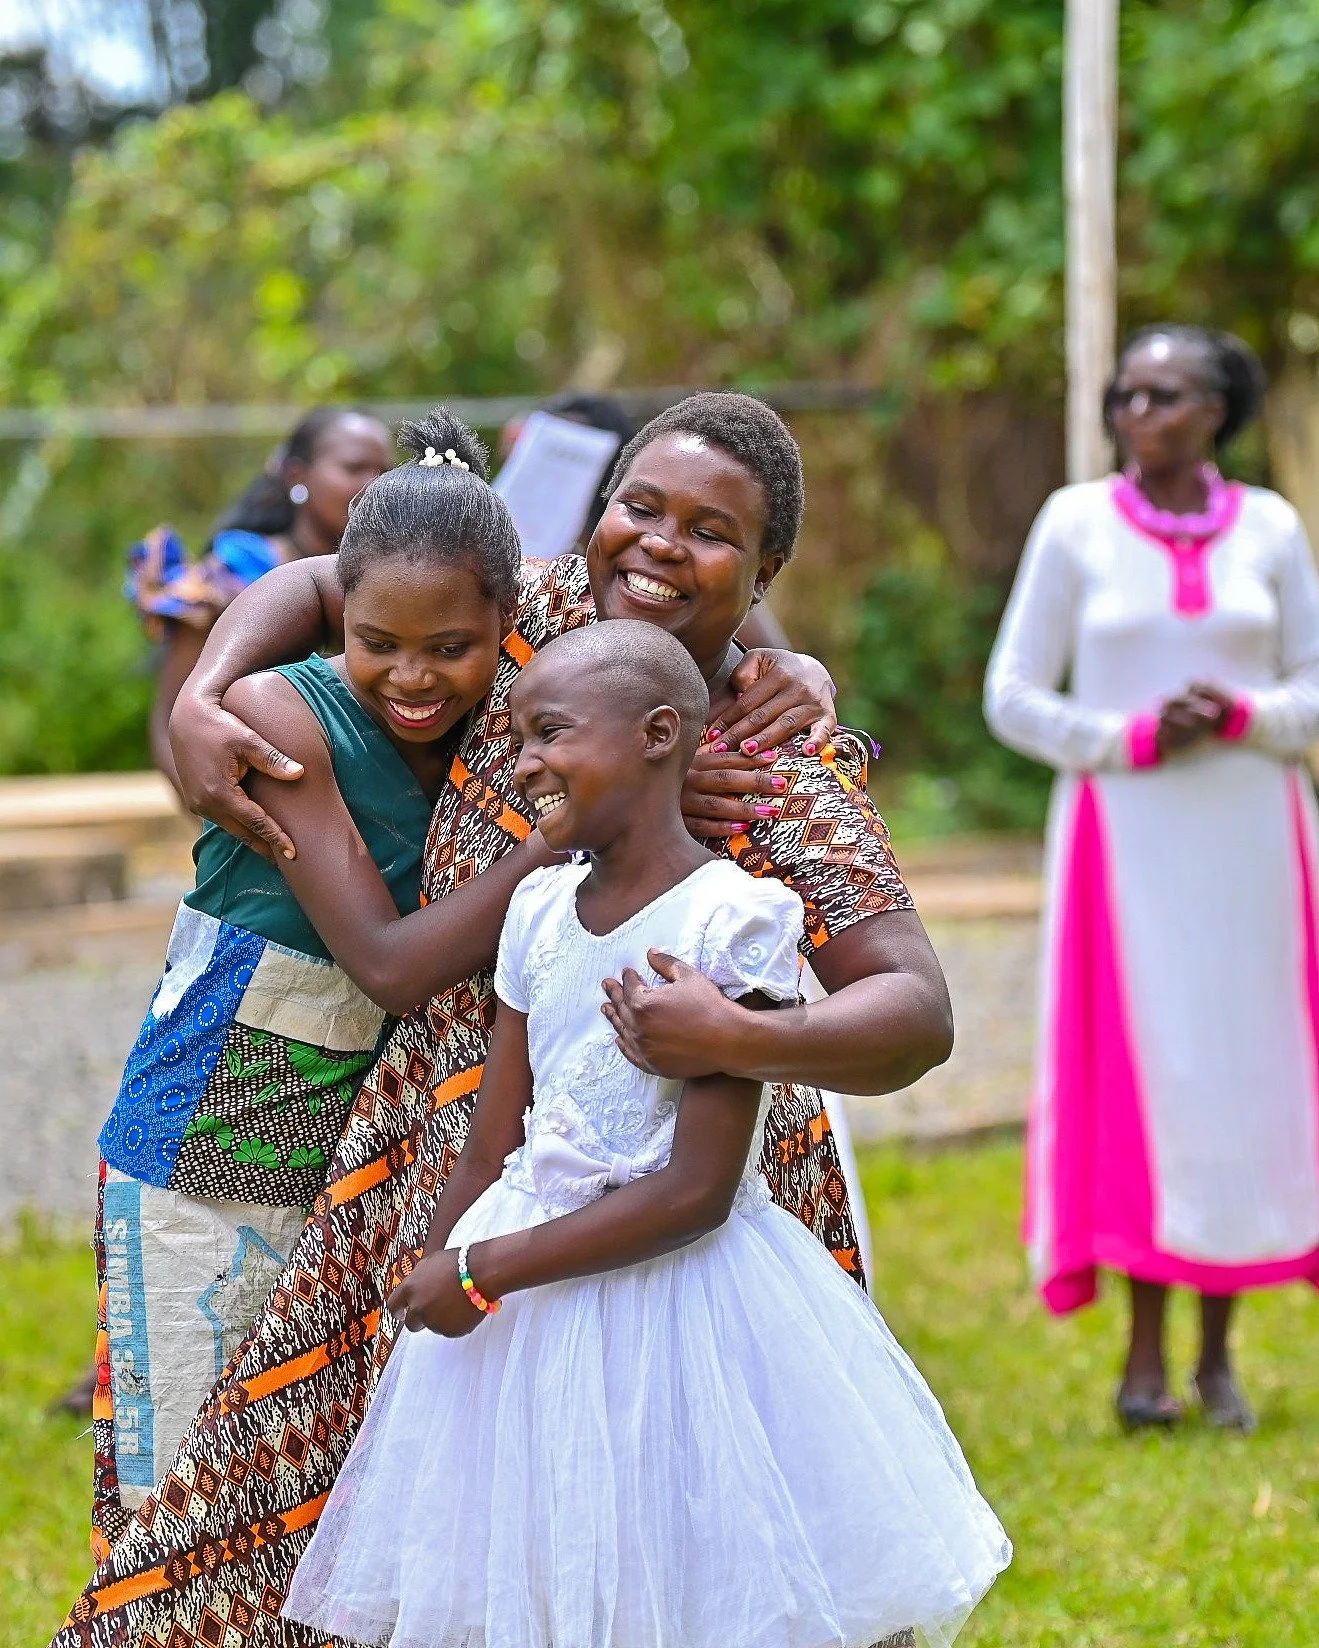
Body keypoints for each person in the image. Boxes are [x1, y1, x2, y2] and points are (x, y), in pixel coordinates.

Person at [57, 393, 953, 1641]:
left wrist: (739, 1033)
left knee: (680, 1528)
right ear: (596, 513)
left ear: (766, 573)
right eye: (639, 507)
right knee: (348, 1508)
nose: (658, 544)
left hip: (681, 1173)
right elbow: (332, 578)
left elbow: (912, 1007)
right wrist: (204, 686)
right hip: (441, 1151)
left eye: (709, 532)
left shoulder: (767, 764)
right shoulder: (524, 627)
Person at [284, 620, 1010, 1648]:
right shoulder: (537, 910)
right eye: (519, 740)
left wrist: (482, 1270)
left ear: (659, 734)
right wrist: (437, 1277)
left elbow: (694, 1193)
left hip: (679, 1308)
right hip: (524, 1316)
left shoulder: (731, 920)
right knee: (536, 1572)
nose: (523, 763)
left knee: (677, 1576)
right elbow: (495, 1144)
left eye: (550, 733)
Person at [89, 410, 544, 1552]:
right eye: (379, 640)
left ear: (509, 617)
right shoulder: (279, 713)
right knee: (183, 1499)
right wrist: (569, 837)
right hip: (208, 1132)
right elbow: (388, 967)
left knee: (321, 1496)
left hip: (362, 1153)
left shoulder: (509, 705)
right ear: (344, 610)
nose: (412, 676)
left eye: (449, 646)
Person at [984, 325, 1319, 1432]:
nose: (1137, 412)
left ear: (1217, 409)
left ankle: (1218, 1359)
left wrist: (1241, 715)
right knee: (1143, 1072)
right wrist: (1127, 736)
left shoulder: (1269, 527)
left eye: (1164, 395)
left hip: (1255, 844)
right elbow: (1011, 695)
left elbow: (1312, 685)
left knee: (1240, 1078)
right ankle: (1140, 1362)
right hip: (1124, 841)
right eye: (1124, 394)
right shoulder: (1072, 523)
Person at [127, 405, 393, 792]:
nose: (374, 485)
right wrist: (220, 815)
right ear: (298, 476)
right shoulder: (235, 574)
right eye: (354, 468)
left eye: (385, 471)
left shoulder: (394, 578)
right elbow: (173, 721)